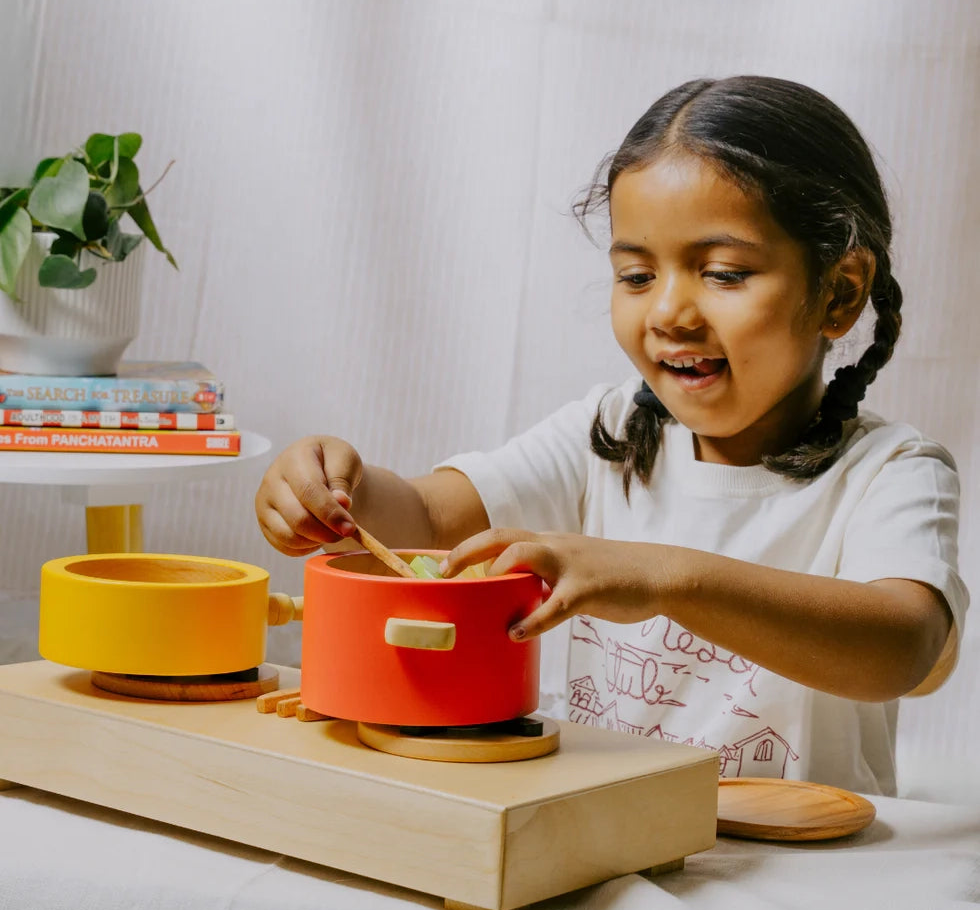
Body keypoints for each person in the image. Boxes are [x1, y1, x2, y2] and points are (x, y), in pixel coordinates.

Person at [255, 75, 968, 796]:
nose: (668, 312)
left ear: (840, 291)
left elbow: (905, 647)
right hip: (607, 837)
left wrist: (663, 578)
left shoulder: (891, 470)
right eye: (636, 275)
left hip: (798, 858)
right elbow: (430, 519)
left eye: (723, 273)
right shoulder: (606, 436)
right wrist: (339, 490)